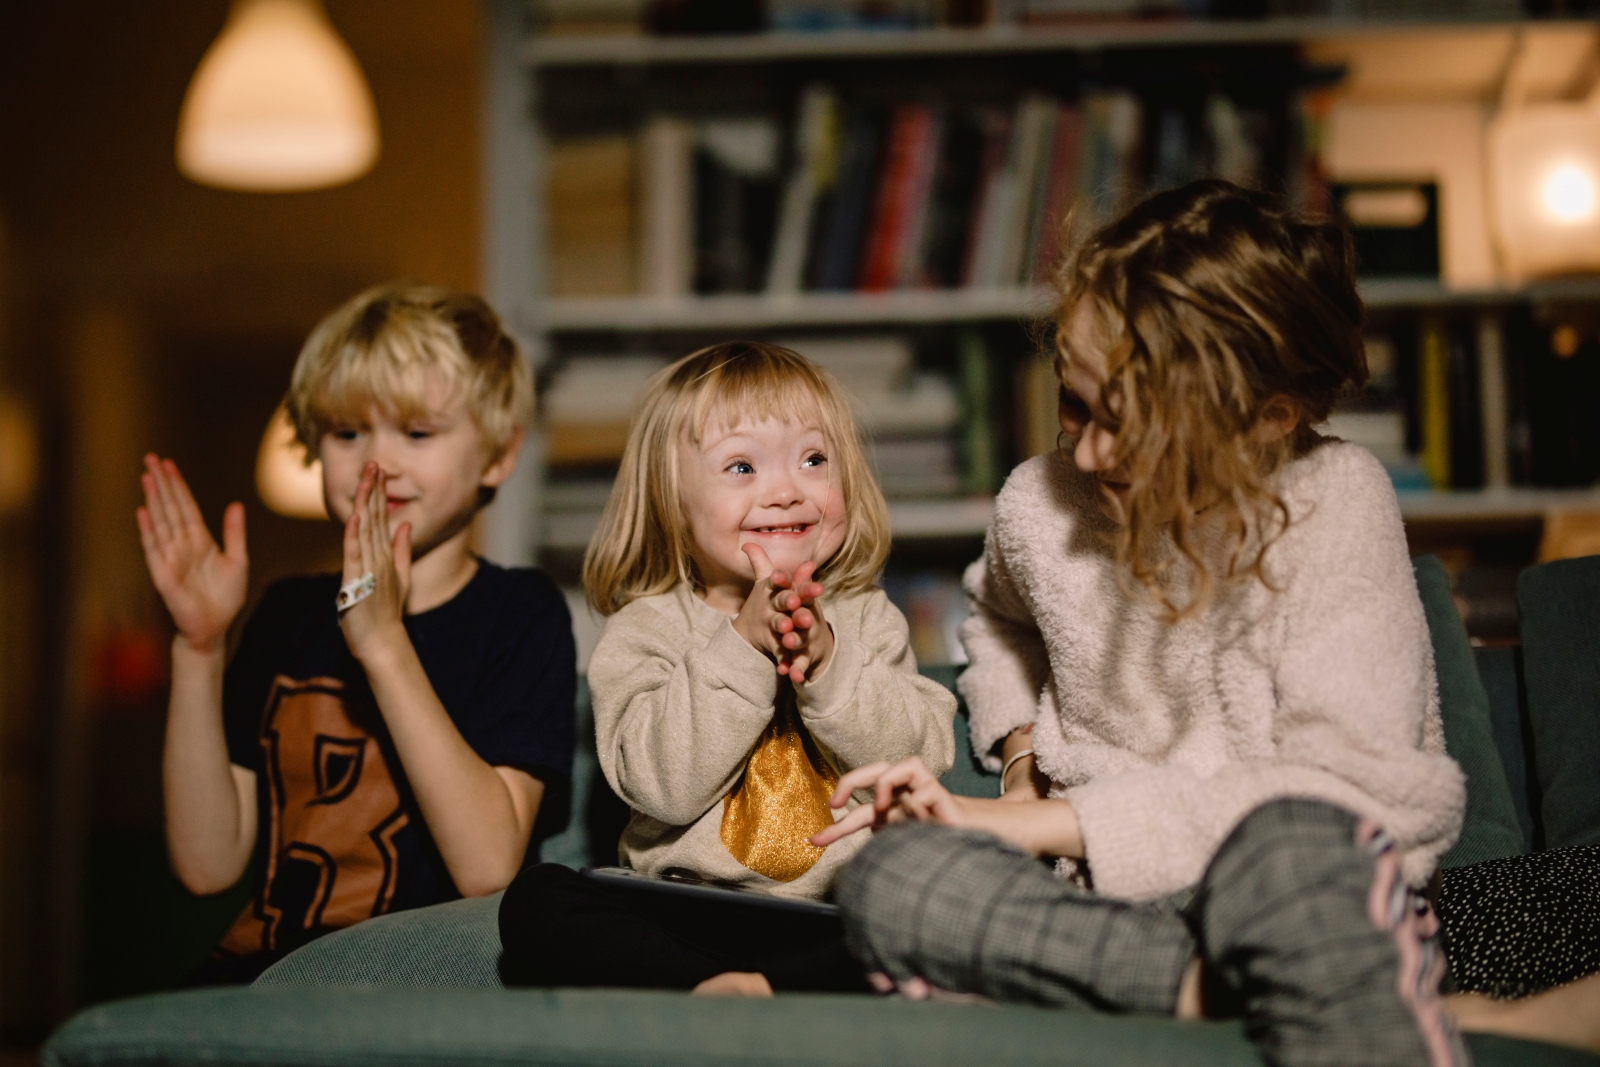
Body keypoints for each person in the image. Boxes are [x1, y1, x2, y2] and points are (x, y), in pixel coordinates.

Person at [810, 181, 1600, 1064]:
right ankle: (1271, 996)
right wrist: (1023, 764)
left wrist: (1048, 824)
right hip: (1108, 906)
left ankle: (1290, 983)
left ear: (1266, 418)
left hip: (1303, 879)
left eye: (1128, 423)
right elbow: (998, 623)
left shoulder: (1333, 499)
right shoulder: (1041, 501)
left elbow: (1353, 790)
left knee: (1294, 844)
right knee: (890, 880)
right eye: (1074, 402)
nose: (1085, 449)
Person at [137, 283, 576, 985]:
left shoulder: (520, 613)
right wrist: (199, 649)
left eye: (418, 432)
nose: (379, 462)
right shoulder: (284, 615)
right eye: (347, 433)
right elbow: (206, 864)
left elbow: (488, 865)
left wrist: (382, 642)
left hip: (423, 986)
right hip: (262, 978)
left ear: (497, 455)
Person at [497, 341, 956, 997]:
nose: (786, 490)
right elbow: (659, 787)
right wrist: (742, 645)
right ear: (673, 505)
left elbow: (923, 755)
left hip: (841, 910)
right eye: (741, 466)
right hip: (687, 910)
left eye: (814, 459)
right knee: (538, 899)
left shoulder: (864, 618)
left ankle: (756, 987)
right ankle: (719, 983)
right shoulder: (645, 630)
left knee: (947, 905)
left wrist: (828, 660)